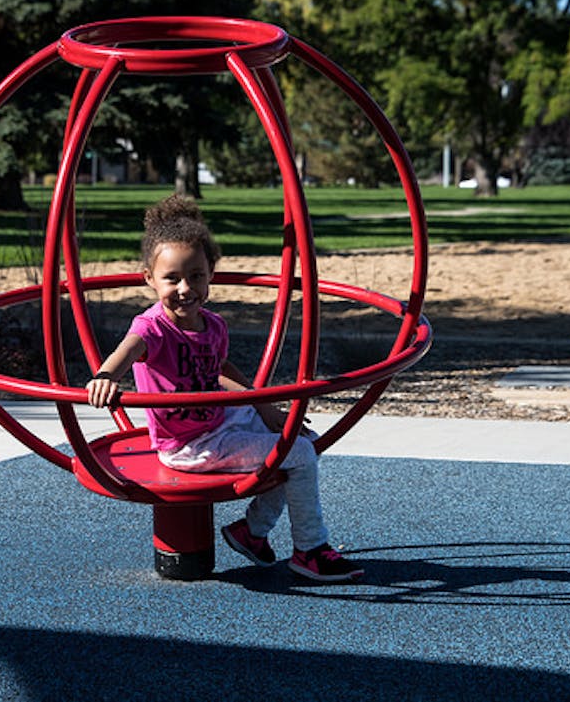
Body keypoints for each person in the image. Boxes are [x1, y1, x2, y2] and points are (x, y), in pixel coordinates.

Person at [85, 194, 363, 582]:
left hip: (216, 423)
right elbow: (123, 353)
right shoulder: (152, 328)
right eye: (172, 278)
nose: (185, 288)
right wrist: (104, 378)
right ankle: (309, 549)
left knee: (296, 438)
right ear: (149, 279)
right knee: (297, 453)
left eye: (196, 275)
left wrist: (267, 411)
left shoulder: (213, 325)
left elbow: (218, 368)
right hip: (188, 446)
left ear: (210, 272)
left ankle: (251, 532)